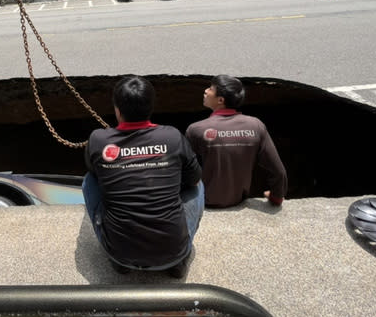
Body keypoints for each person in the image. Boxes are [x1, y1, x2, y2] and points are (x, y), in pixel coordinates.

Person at [83, 75, 204, 277]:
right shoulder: (172, 136)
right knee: (199, 185)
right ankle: (177, 261)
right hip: (173, 250)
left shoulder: (98, 139)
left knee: (89, 181)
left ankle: (120, 260)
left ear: (117, 109)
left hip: (120, 254)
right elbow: (194, 179)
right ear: (151, 107)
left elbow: (94, 172)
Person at [185, 75, 287, 208]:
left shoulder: (196, 129)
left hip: (205, 201)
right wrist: (277, 197)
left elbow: (184, 171)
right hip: (239, 199)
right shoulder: (255, 126)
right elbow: (278, 171)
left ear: (220, 100)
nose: (205, 91)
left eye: (210, 89)